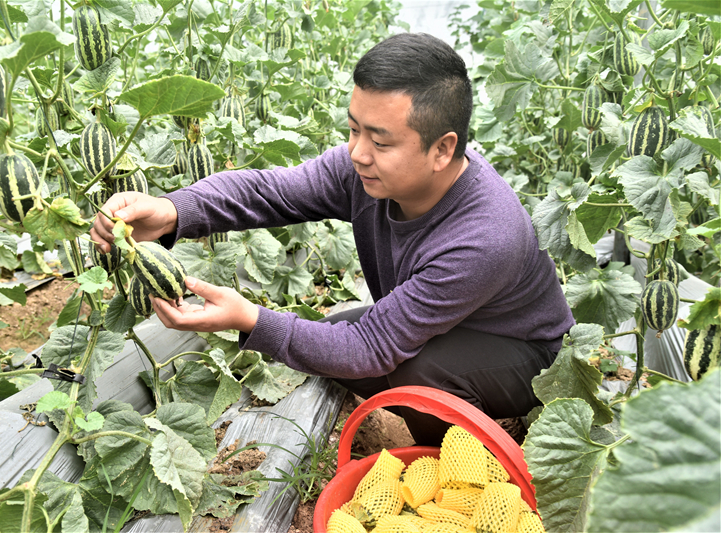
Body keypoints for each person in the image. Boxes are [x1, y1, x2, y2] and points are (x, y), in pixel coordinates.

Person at [91, 32, 575, 446]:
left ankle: (470, 454)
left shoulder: (484, 236)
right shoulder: (364, 169)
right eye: (352, 129)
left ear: (442, 149)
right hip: (453, 323)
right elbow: (270, 190)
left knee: (412, 373)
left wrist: (249, 318)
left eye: (380, 141)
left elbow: (372, 346)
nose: (357, 153)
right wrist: (175, 210)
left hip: (526, 354)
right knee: (335, 336)